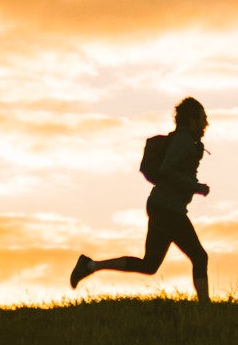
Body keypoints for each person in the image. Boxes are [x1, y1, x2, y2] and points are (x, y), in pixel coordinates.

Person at [71, 97, 212, 303]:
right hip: (168, 209)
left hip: (160, 206)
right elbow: (167, 170)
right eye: (202, 118)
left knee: (149, 265)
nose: (205, 123)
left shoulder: (186, 141)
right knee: (200, 257)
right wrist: (196, 187)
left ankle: (90, 266)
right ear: (191, 120)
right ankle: (205, 306)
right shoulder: (183, 141)